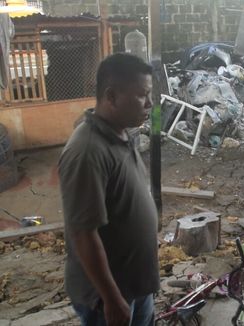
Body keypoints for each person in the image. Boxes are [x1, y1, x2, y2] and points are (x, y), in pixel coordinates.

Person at [58, 53, 158, 326]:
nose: (150, 103)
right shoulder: (87, 152)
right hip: (109, 298)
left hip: (136, 284)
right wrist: (112, 299)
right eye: (142, 95)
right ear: (111, 96)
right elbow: (83, 233)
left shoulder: (121, 133)